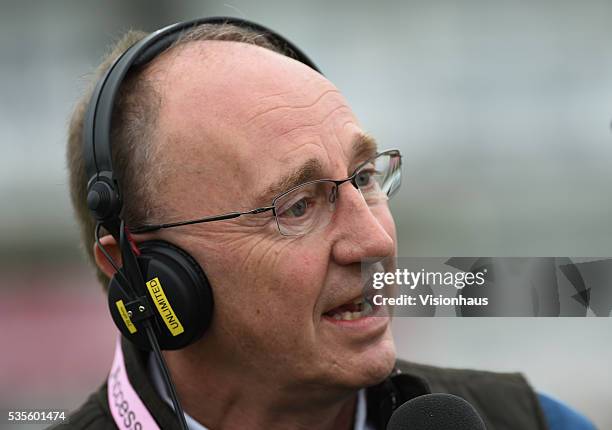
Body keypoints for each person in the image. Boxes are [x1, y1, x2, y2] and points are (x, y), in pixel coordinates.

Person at [59, 19, 595, 430]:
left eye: (363, 177)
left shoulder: (532, 420)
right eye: (297, 206)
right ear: (147, 274)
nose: (376, 240)